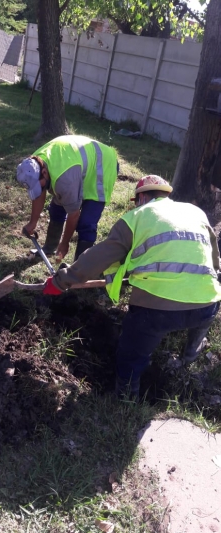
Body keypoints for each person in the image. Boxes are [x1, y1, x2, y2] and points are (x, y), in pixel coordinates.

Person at [42, 175, 221, 398]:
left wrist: (62, 280)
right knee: (201, 313)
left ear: (142, 197)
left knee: (130, 353)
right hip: (208, 305)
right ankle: (190, 355)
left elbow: (100, 256)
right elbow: (214, 261)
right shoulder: (196, 212)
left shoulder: (136, 217)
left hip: (157, 313)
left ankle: (126, 398)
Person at [16, 135, 118, 261]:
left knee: (87, 222)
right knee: (56, 209)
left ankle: (80, 266)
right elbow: (40, 192)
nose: (39, 188)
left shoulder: (64, 180)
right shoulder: (35, 163)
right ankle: (49, 247)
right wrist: (32, 223)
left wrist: (65, 243)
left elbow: (73, 214)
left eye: (39, 185)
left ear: (44, 173)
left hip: (102, 165)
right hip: (75, 165)